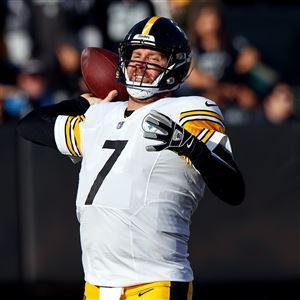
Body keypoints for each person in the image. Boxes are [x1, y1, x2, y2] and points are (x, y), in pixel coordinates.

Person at [17, 16, 245, 300]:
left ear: (175, 65)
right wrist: (82, 102)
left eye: (153, 58)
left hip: (155, 282)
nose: (140, 65)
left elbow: (233, 189)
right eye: (136, 55)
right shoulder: (101, 115)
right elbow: (30, 125)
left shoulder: (190, 110)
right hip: (96, 284)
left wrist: (189, 146)